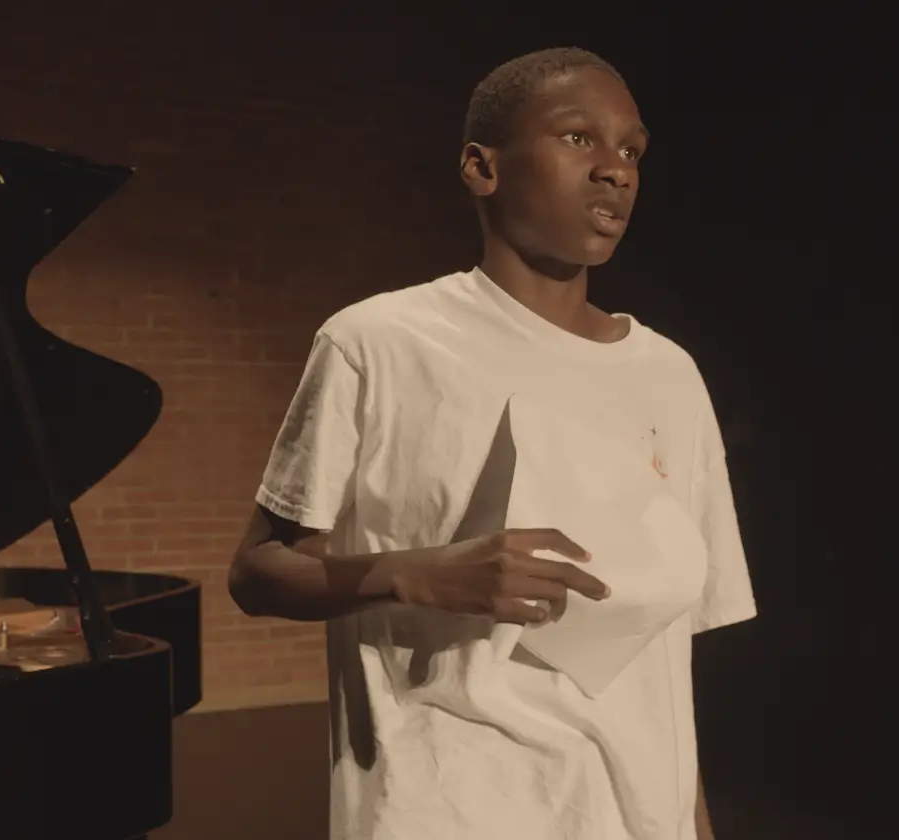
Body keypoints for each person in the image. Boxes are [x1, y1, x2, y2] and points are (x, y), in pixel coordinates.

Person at [228, 46, 757, 840]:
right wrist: (416, 573)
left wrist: (693, 823)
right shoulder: (379, 343)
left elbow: (665, 659)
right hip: (445, 804)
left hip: (634, 817)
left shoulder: (668, 374)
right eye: (578, 137)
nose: (615, 170)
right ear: (483, 167)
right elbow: (257, 571)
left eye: (632, 150)